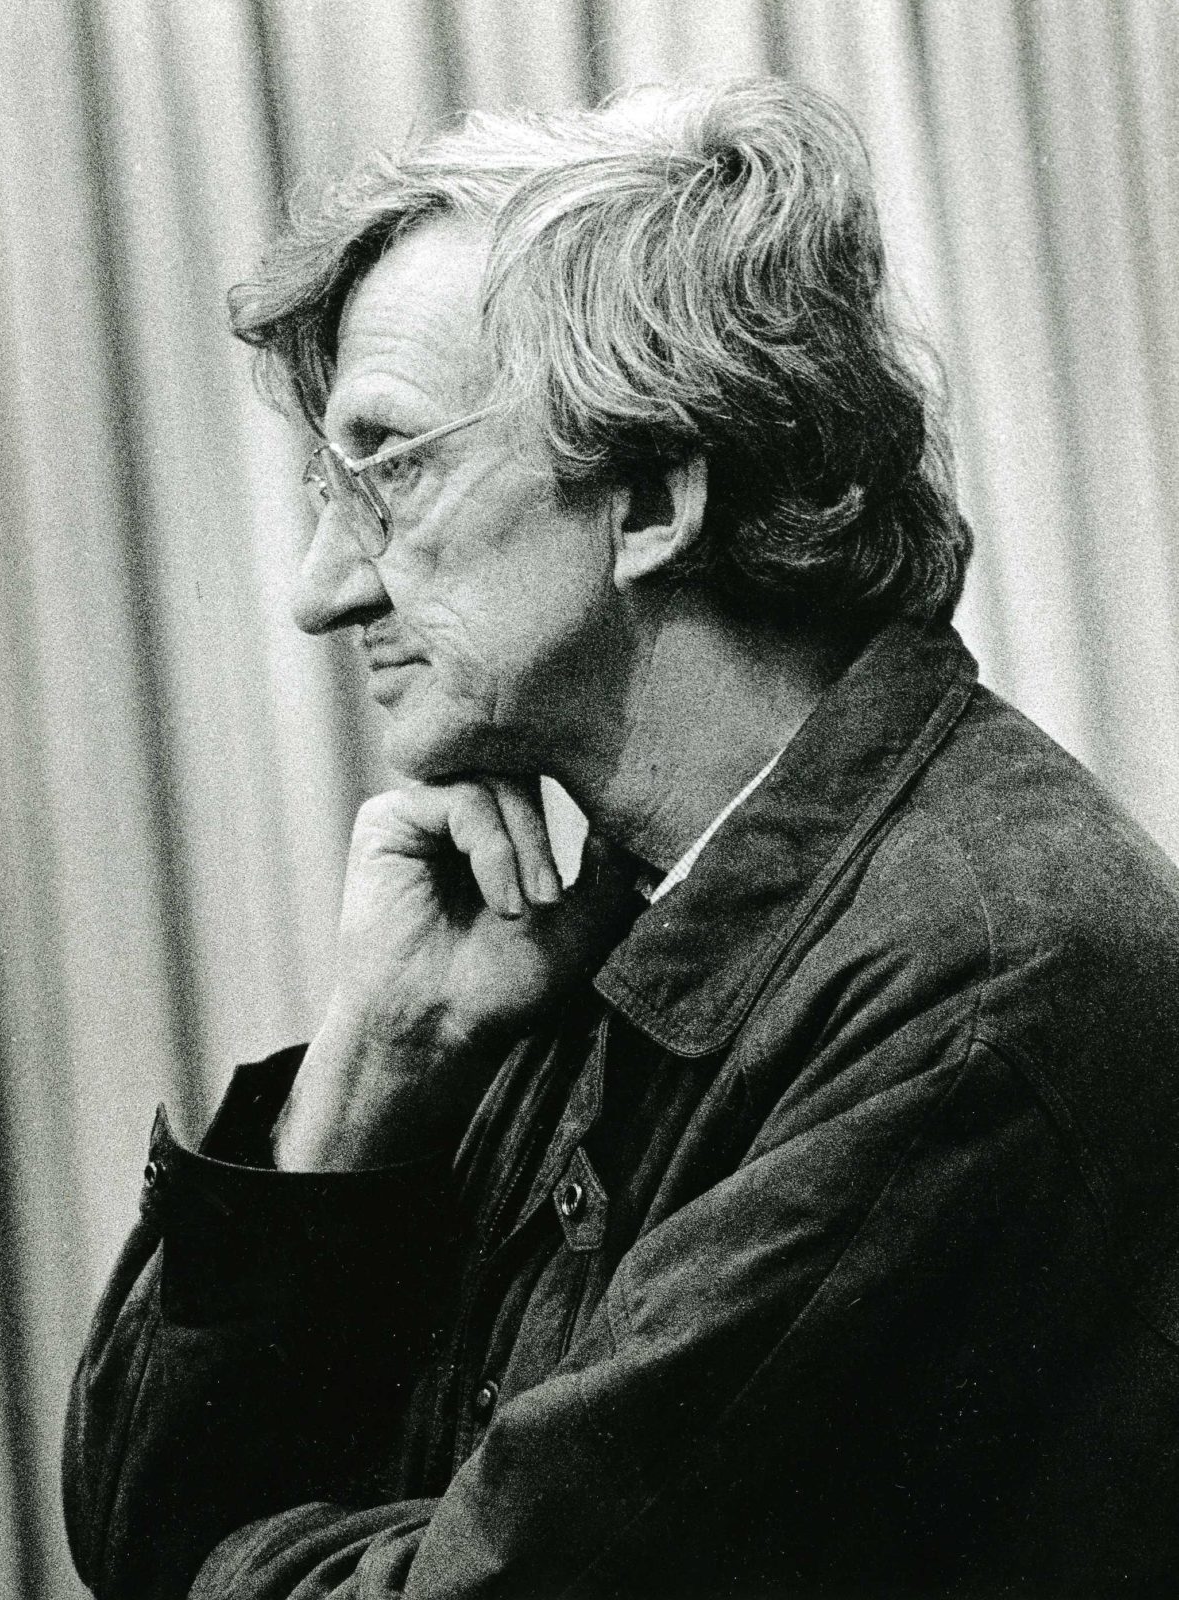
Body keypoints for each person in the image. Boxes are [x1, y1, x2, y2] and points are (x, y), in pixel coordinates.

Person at [63, 79, 1179, 1599]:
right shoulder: (612, 910)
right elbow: (130, 1520)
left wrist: (234, 1556)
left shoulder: (978, 989)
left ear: (650, 495)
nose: (324, 589)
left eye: (390, 469)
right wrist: (376, 1067)